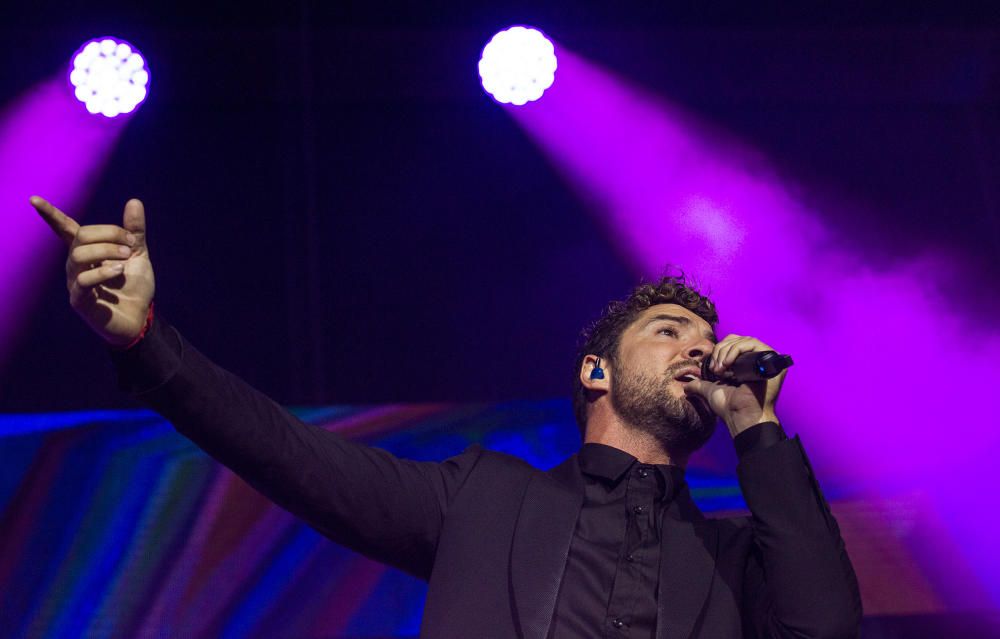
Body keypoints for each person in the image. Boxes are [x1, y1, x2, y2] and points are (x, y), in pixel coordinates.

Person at [31, 196, 862, 639]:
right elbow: (289, 454)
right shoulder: (484, 499)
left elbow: (822, 625)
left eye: (707, 338)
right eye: (668, 329)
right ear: (595, 370)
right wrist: (147, 342)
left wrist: (754, 424)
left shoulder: (730, 556)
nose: (697, 348)